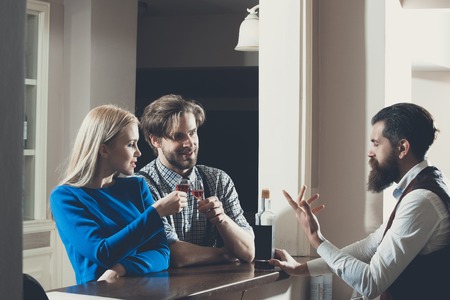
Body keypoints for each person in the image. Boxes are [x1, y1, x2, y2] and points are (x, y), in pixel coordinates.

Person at [269, 103, 450, 300]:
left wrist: (317, 239)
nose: (370, 152)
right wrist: (301, 269)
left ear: (402, 148)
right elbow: (370, 247)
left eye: (376, 143)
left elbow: (371, 283)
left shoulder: (421, 200)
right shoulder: (420, 189)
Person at [50, 104, 187, 284]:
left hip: (149, 292)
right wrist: (155, 212)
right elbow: (103, 253)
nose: (138, 152)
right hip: (99, 295)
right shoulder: (65, 198)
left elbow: (162, 254)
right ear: (104, 149)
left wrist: (121, 268)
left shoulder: (136, 187)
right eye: (131, 144)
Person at [137, 94, 255, 267]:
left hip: (214, 288)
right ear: (155, 140)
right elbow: (175, 255)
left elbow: (248, 251)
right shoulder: (142, 185)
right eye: (178, 136)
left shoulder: (218, 180)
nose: (190, 143)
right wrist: (225, 253)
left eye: (192, 133)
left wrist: (221, 218)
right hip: (162, 291)